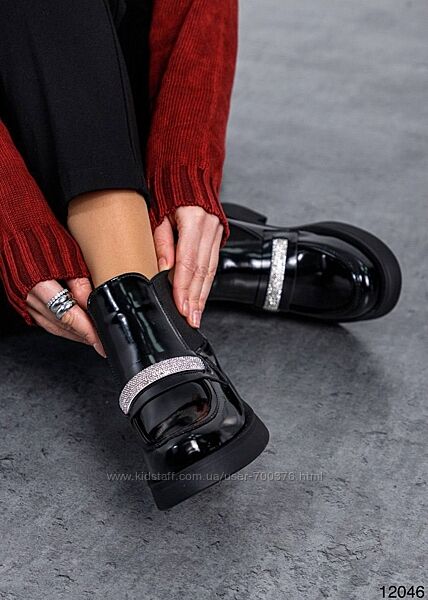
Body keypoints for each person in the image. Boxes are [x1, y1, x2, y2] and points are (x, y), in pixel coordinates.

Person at [0, 0, 401, 508]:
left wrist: (184, 172)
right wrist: (15, 233)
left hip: (95, 96)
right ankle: (163, 285)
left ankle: (133, 295)